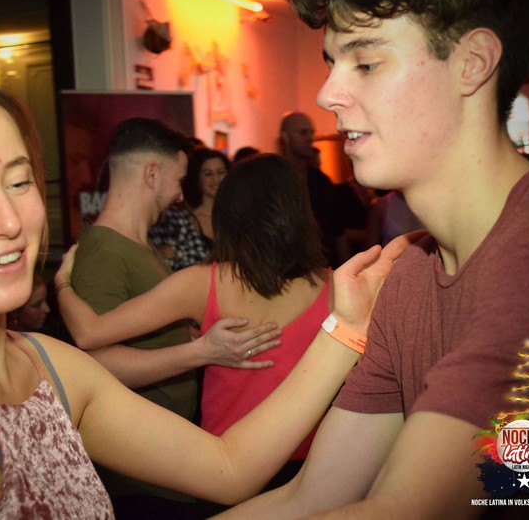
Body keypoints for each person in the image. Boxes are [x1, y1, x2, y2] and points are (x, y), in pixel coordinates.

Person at [0, 71, 417, 518]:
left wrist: (347, 324)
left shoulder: (47, 364)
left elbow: (229, 467)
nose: (8, 220)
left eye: (18, 182)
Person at [220, 0, 529, 518]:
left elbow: (404, 510)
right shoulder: (408, 276)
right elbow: (313, 497)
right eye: (331, 63)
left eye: (366, 63)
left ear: (472, 63)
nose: (326, 94)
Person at [57, 154, 362, 516]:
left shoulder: (203, 284)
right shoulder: (337, 289)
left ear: (228, 216)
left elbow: (89, 333)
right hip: (314, 470)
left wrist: (61, 284)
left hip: (222, 470)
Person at [61, 117, 275, 518]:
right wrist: (201, 352)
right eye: (178, 180)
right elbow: (95, 365)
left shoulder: (138, 247)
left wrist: (188, 336)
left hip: (163, 461)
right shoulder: (104, 252)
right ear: (152, 174)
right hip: (139, 476)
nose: (180, 195)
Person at [279, 111, 347, 267]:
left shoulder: (321, 182)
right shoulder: (273, 180)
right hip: (285, 270)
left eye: (311, 132)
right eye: (303, 132)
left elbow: (338, 232)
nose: (310, 138)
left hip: (325, 268)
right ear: (286, 136)